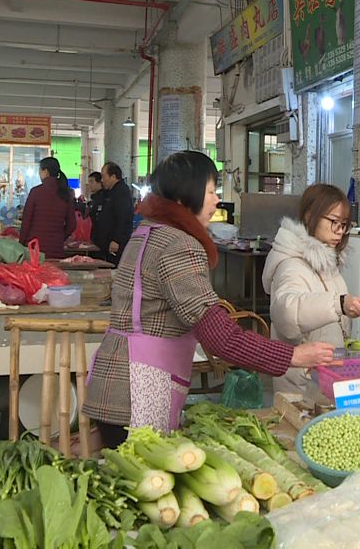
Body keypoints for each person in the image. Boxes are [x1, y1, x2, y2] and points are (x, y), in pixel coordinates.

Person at [83, 151, 334, 447]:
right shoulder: (178, 244)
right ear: (184, 196)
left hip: (119, 383)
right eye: (211, 191)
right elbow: (219, 337)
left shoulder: (149, 230)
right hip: (135, 392)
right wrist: (293, 356)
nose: (216, 200)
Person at [262, 183, 360, 394]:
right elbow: (286, 312)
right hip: (301, 383)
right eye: (334, 222)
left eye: (344, 224)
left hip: (324, 377)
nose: (339, 232)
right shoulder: (291, 265)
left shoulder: (327, 264)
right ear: (310, 216)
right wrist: (339, 304)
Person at [19, 156, 76, 259]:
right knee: (53, 274)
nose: (39, 174)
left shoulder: (36, 192)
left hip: (35, 247)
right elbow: (72, 224)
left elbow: (26, 221)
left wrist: (21, 243)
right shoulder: (66, 193)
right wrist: (60, 237)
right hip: (56, 248)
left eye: (40, 171)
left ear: (45, 172)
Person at [94, 161, 134, 265]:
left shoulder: (121, 192)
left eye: (104, 176)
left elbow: (123, 217)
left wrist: (116, 240)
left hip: (115, 244)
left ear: (113, 176)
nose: (102, 180)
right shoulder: (112, 192)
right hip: (108, 241)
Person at [86, 171, 106, 243]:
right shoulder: (93, 199)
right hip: (94, 236)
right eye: (89, 182)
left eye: (91, 181)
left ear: (99, 183)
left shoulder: (104, 199)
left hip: (101, 238)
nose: (89, 184)